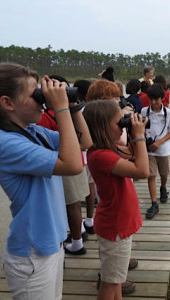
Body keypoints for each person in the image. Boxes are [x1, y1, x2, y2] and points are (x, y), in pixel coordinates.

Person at [0, 62, 91, 299]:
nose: (42, 101)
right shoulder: (5, 145)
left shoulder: (35, 132)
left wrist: (71, 106)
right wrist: (60, 108)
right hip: (32, 255)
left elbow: (84, 143)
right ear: (7, 103)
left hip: (51, 243)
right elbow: (73, 165)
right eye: (35, 95)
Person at [83, 100, 149, 299]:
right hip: (115, 228)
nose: (122, 126)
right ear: (103, 127)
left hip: (116, 225)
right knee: (109, 284)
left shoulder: (106, 150)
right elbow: (142, 170)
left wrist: (133, 135)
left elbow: (131, 154)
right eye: (118, 122)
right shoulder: (101, 156)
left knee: (116, 282)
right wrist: (139, 137)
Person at [37, 75, 91, 256]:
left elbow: (85, 142)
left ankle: (77, 240)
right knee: (74, 203)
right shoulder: (55, 115)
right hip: (76, 161)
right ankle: (80, 233)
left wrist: (69, 107)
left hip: (66, 164)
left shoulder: (54, 115)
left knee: (71, 204)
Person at [141, 84, 170, 219]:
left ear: (162, 98)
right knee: (151, 176)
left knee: (164, 173)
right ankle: (154, 203)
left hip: (163, 149)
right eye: (151, 99)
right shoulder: (144, 111)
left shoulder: (168, 113)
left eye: (156, 99)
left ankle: (163, 187)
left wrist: (159, 142)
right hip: (149, 149)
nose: (154, 102)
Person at [74, 79, 96, 235]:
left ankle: (79, 229)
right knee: (91, 187)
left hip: (79, 156)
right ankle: (90, 220)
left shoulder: (77, 111)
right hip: (91, 155)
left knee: (74, 196)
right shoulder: (94, 109)